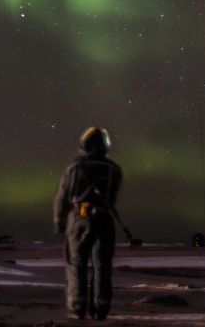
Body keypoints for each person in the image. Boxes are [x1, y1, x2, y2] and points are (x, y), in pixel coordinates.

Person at [53, 126, 123, 320]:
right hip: (104, 219)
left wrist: (59, 220)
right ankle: (101, 308)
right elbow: (112, 196)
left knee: (76, 263)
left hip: (79, 217)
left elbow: (63, 196)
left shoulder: (75, 167)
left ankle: (77, 307)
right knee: (103, 265)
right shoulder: (113, 169)